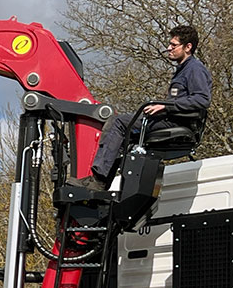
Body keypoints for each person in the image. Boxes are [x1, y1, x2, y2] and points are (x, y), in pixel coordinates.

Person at [89, 24, 212, 184]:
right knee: (125, 134)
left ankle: (98, 179)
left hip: (177, 122)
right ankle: (104, 182)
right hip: (170, 118)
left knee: (119, 122)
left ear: (188, 47)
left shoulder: (195, 69)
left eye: (173, 45)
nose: (169, 48)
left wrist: (166, 106)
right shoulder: (183, 70)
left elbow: (202, 99)